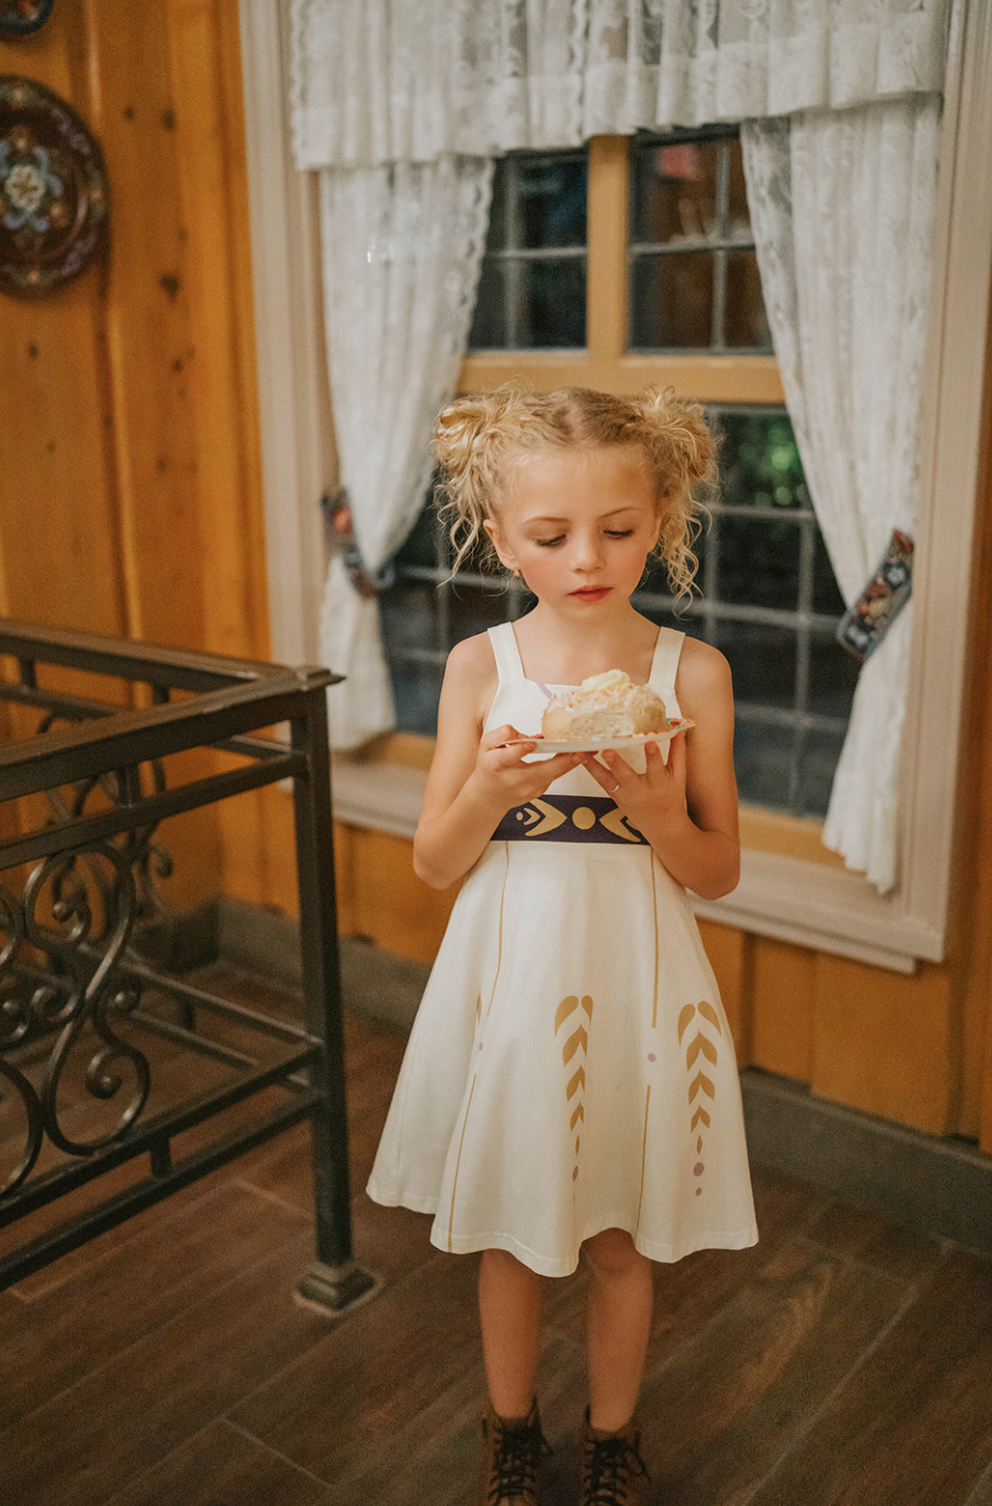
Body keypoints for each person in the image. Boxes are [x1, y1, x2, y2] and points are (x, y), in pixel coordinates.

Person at [367, 386, 758, 1506]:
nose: (586, 557)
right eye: (548, 536)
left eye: (619, 530)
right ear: (499, 538)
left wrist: (658, 814)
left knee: (621, 1235)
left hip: (632, 967)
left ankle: (612, 1436)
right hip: (515, 966)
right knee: (510, 1225)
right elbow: (434, 864)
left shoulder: (691, 675)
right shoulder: (481, 668)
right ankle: (507, 1426)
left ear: (662, 516)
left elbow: (717, 872)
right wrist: (491, 781)